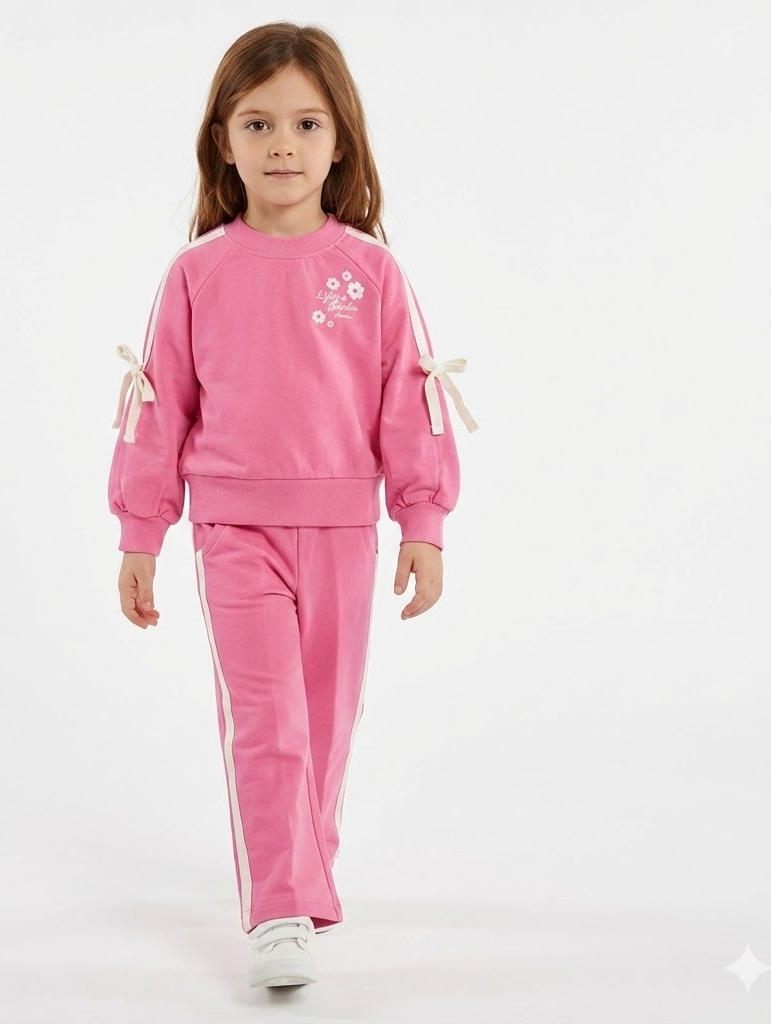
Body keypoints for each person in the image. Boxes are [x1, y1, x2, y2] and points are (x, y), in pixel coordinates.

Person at [107, 21, 479, 989]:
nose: (283, 144)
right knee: (268, 718)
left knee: (324, 722)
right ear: (223, 141)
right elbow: (159, 406)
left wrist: (423, 521)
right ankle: (278, 906)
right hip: (233, 529)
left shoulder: (373, 273)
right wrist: (141, 532)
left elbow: (409, 399)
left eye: (306, 123)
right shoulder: (195, 274)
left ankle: (305, 875)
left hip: (345, 530)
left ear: (339, 139)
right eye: (259, 123)